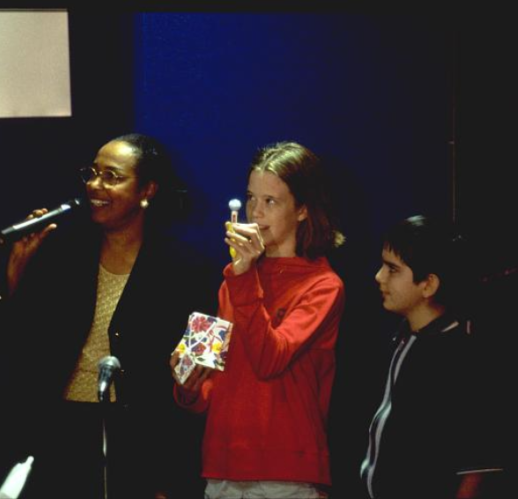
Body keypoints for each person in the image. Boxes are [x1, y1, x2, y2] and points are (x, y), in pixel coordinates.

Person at [0, 133, 219, 499]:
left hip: (141, 441)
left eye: (112, 176)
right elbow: (16, 348)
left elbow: (205, 368)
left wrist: (170, 479)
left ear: (147, 190)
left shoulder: (191, 269)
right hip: (60, 432)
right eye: (92, 173)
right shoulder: (63, 254)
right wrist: (17, 273)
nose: (95, 185)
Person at [171, 141, 346, 499]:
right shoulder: (235, 279)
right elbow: (212, 383)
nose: (256, 212)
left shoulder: (323, 285)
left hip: (284, 472)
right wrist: (188, 383)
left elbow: (270, 359)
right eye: (252, 198)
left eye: (271, 201)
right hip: (221, 466)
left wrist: (243, 277)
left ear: (302, 209)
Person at [359, 215, 505, 499]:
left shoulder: (460, 357)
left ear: (428, 284)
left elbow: (477, 464)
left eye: (392, 269)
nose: (379, 277)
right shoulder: (402, 340)